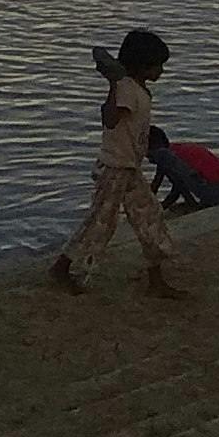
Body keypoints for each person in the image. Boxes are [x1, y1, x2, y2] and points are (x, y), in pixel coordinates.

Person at [50, 29, 183, 298]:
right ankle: (62, 267)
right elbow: (110, 119)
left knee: (149, 217)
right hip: (115, 167)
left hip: (129, 167)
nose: (161, 71)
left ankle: (156, 280)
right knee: (101, 222)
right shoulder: (126, 89)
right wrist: (113, 84)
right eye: (158, 65)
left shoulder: (135, 89)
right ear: (143, 65)